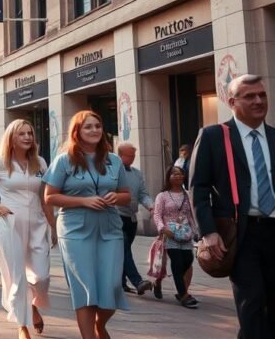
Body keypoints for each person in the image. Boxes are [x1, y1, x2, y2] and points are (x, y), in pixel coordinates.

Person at [189, 74, 275, 338]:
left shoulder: (273, 137)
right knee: (251, 303)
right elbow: (198, 188)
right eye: (250, 96)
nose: (258, 100)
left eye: (262, 95)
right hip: (241, 233)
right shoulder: (214, 136)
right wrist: (208, 231)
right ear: (231, 101)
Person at [43, 110, 130, 339]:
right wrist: (83, 200)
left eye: (97, 126)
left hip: (110, 228)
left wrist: (116, 198)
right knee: (85, 288)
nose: (94, 130)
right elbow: (49, 197)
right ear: (77, 132)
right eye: (88, 127)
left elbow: (127, 195)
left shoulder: (114, 160)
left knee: (111, 285)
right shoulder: (64, 160)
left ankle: (100, 325)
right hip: (75, 230)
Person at [0, 119, 55, 339]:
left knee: (41, 276)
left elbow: (45, 196)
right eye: (22, 134)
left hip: (38, 224)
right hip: (10, 224)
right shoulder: (0, 162)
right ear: (12, 137)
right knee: (17, 277)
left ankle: (32, 304)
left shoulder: (40, 162)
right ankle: (22, 324)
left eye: (30, 133)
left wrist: (53, 225)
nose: (28, 137)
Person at [152, 165, 199, 308]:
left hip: (185, 234)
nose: (178, 176)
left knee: (188, 260)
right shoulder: (162, 196)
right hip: (170, 235)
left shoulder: (187, 194)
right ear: (168, 177)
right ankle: (183, 295)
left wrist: (196, 231)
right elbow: (157, 214)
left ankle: (176, 289)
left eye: (180, 174)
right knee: (177, 263)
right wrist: (162, 229)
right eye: (174, 174)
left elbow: (190, 215)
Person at [115, 143, 154, 295]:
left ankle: (121, 282)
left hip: (131, 218)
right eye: (129, 155)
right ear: (120, 155)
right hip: (116, 216)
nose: (132, 158)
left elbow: (143, 194)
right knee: (123, 248)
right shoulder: (112, 172)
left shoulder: (137, 174)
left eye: (133, 156)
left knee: (124, 251)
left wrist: (151, 206)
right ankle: (137, 281)